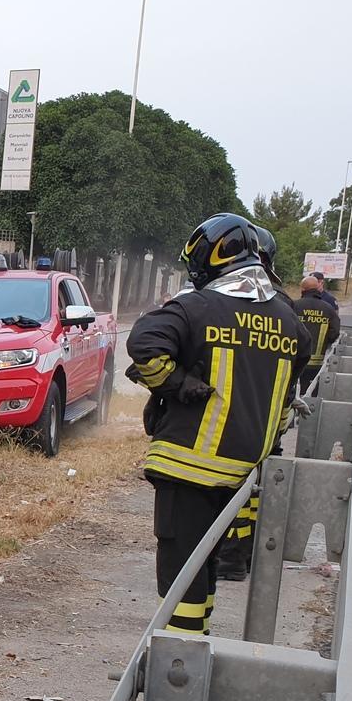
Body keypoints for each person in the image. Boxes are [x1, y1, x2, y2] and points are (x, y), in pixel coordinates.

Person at [126, 213, 310, 632]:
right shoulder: (287, 319)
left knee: (180, 581)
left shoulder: (197, 306)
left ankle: (178, 666)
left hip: (187, 468)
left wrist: (174, 383)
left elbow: (143, 345)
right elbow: (284, 403)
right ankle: (199, 645)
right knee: (207, 563)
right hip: (242, 474)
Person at [294, 274, 340, 393]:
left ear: (303, 289)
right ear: (317, 289)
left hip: (295, 360)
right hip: (317, 363)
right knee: (310, 392)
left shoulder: (294, 306)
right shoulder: (329, 309)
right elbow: (335, 333)